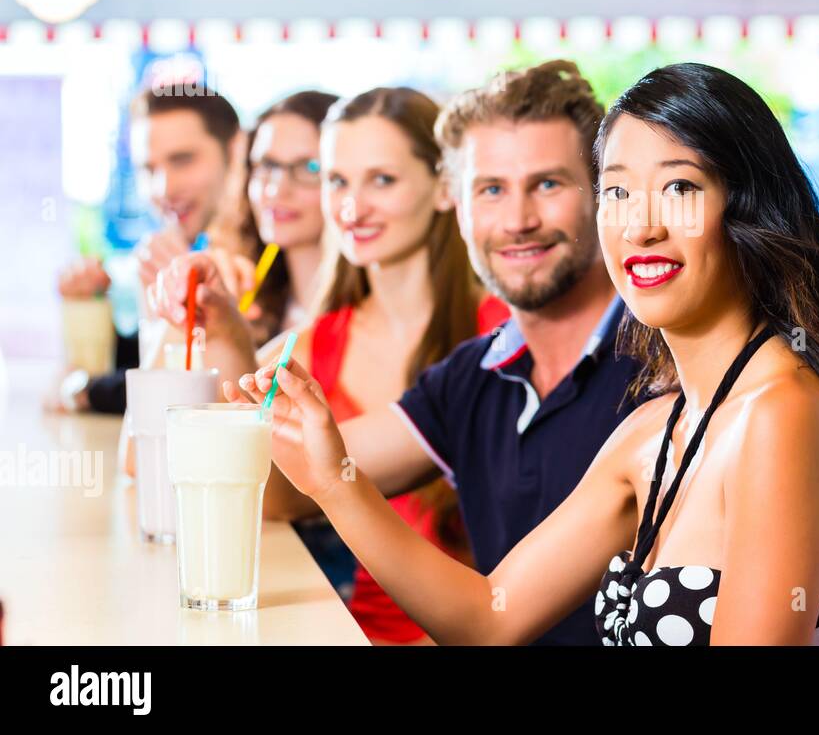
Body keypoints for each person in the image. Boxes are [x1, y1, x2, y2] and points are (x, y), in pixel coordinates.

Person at [234, 62, 819, 645]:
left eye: (680, 189)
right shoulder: (657, 429)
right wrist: (333, 480)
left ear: (747, 209)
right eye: (619, 191)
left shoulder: (779, 414)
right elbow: (490, 615)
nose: (642, 224)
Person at [159, 60, 637, 645]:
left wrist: (332, 479)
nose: (518, 220)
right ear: (459, 204)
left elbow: (490, 620)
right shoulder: (476, 374)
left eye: (547, 184)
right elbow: (282, 491)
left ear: (602, 196)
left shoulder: (662, 369)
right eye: (491, 189)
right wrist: (228, 331)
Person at [157, 87, 494, 644]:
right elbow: (250, 483)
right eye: (337, 181)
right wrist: (216, 324)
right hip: (346, 630)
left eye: (381, 180)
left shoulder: (499, 335)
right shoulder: (316, 342)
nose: (352, 209)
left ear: (442, 187)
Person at [52, 86, 247, 414]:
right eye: (149, 169)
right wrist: (96, 306)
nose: (164, 188)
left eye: (183, 160)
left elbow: (211, 393)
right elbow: (151, 365)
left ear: (237, 150)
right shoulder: (197, 247)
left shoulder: (269, 253)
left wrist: (84, 389)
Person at [236, 90, 339, 346]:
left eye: (309, 167)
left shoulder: (370, 320)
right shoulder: (247, 305)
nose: (276, 190)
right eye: (267, 165)